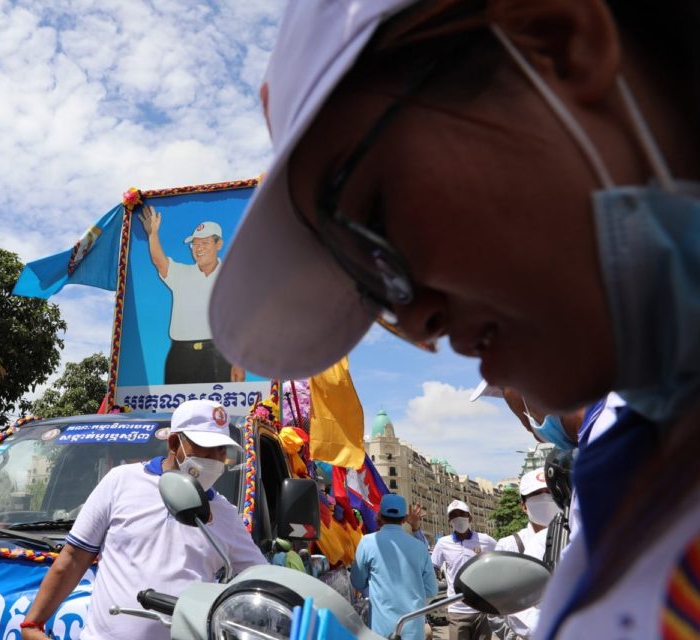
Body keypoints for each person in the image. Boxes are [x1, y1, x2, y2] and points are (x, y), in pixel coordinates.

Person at [208, 2, 700, 636]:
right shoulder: (631, 466)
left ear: (558, 44)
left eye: (380, 216)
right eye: (366, 280)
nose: (415, 321)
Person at [20, 399, 264, 640]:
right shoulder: (120, 482)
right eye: (205, 447)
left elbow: (261, 578)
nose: (214, 458)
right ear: (173, 443)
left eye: (221, 450)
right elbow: (73, 559)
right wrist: (33, 623)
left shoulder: (225, 514)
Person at [139, 205, 244, 384]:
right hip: (180, 356)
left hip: (218, 356)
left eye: (205, 243)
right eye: (195, 244)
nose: (198, 248)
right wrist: (153, 234)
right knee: (175, 410)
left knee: (216, 410)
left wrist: (238, 362)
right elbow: (159, 262)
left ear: (219, 244)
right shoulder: (182, 274)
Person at [352, 494, 437, 640]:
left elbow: (358, 582)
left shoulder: (367, 542)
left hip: (380, 631)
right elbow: (431, 590)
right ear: (404, 519)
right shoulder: (420, 547)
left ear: (379, 515)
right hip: (413, 631)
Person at [490, 470, 559, 639]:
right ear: (523, 505)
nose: (544, 498)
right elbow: (497, 606)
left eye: (549, 492)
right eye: (536, 494)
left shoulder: (575, 536)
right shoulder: (508, 546)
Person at [431, 500, 497, 640]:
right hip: (457, 611)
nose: (458, 518)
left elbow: (501, 559)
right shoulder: (443, 543)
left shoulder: (485, 540)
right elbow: (434, 567)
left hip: (482, 609)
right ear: (450, 521)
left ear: (470, 517)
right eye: (454, 515)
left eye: (462, 514)